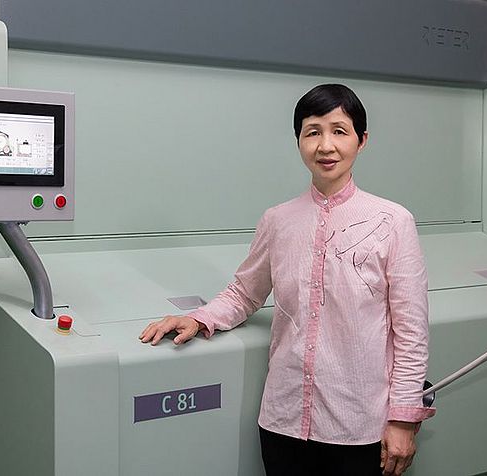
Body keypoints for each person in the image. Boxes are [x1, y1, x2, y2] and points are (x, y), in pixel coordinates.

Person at [139, 84, 435, 475]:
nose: (325, 145)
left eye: (339, 131)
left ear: (361, 140)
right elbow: (244, 293)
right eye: (313, 132)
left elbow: (411, 332)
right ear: (299, 141)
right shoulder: (278, 221)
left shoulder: (393, 222)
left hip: (359, 428)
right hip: (283, 423)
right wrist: (198, 318)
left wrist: (403, 419)